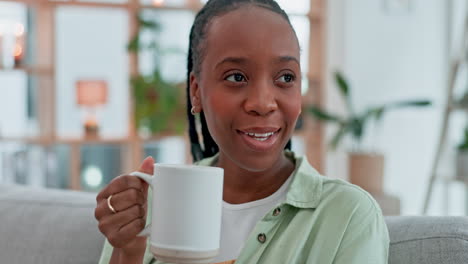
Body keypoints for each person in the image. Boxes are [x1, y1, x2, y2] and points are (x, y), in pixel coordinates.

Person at [94, 0, 390, 263]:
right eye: (236, 77)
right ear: (196, 92)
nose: (263, 103)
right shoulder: (151, 204)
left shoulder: (348, 216)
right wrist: (128, 252)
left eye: (286, 77)